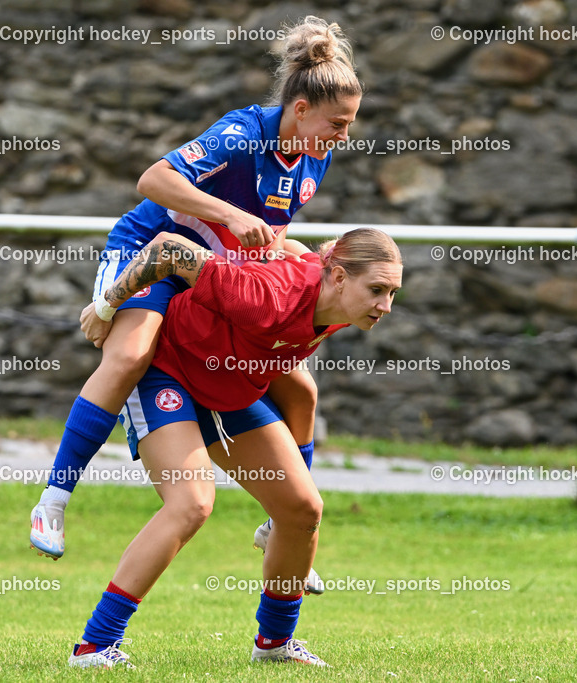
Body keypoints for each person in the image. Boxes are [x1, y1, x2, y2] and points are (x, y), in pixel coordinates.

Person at [29, 15, 364, 586]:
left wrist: (299, 252)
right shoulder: (240, 136)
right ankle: (54, 499)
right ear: (300, 109)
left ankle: (278, 522)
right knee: (132, 354)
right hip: (149, 252)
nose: (344, 136)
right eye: (337, 123)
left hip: (208, 268)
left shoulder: (314, 156)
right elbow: (152, 180)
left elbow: (268, 232)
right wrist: (228, 217)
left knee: (302, 387)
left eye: (351, 124)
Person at [64, 227, 403, 669]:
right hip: (167, 372)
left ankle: (275, 643)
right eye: (377, 290)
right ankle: (94, 646)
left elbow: (297, 257)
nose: (386, 306)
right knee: (191, 503)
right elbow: (169, 248)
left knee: (301, 509)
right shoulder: (270, 294)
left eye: (393, 292)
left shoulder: (338, 303)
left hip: (228, 385)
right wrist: (106, 306)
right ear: (338, 277)